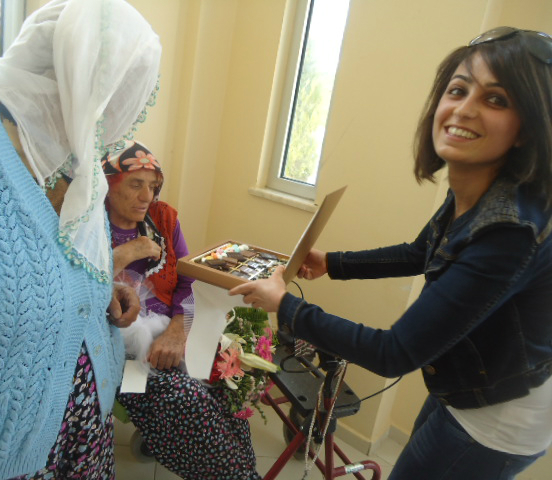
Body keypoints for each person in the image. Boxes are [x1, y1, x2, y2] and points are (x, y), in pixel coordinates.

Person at [230, 26, 552, 480]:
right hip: (464, 388)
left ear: (526, 128)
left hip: (497, 421)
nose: (464, 108)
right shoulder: (479, 186)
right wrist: (333, 263)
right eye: (457, 90)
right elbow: (421, 251)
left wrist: (285, 306)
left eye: (495, 99)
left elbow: (393, 352)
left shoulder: (508, 230)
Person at [0, 0, 160, 478]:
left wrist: (98, 292)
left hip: (81, 430)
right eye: (108, 92)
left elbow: (48, 266)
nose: (108, 117)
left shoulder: (74, 159)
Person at [103, 141, 263, 480]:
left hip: (171, 332)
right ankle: (231, 474)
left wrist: (178, 330)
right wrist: (128, 251)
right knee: (184, 399)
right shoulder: (88, 227)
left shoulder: (163, 219)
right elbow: (76, 290)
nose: (147, 196)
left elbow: (188, 281)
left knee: (224, 380)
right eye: (136, 184)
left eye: (153, 186)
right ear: (107, 183)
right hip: (117, 352)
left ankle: (244, 472)